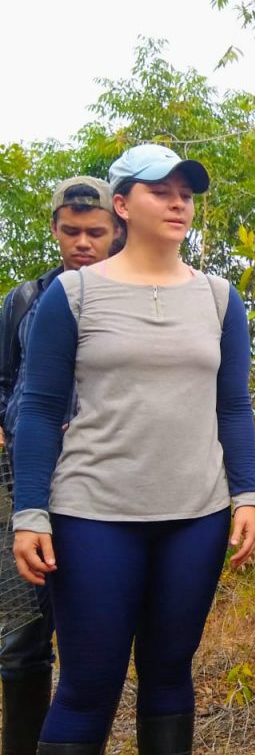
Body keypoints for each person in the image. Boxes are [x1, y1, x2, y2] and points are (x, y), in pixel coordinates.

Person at [11, 144, 255, 755]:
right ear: (123, 204)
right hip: (93, 513)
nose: (178, 202)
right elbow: (40, 408)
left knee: (171, 676)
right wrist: (30, 512)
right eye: (161, 190)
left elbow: (232, 404)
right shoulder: (72, 295)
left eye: (186, 192)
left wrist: (247, 494)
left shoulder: (219, 298)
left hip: (195, 516)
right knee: (88, 685)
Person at [0, 176, 119, 755]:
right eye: (71, 231)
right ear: (54, 230)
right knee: (22, 639)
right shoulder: (24, 300)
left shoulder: (129, 296)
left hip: (99, 493)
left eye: (95, 232)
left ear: (117, 230)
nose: (82, 242)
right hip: (27, 490)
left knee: (87, 643)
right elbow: (4, 385)